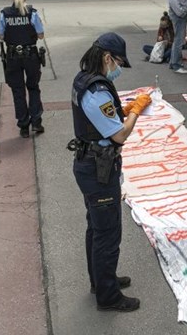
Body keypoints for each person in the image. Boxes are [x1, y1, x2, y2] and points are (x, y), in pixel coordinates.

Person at [69, 32, 151, 312]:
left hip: (88, 164)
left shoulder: (83, 79)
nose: (117, 69)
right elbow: (119, 136)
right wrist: (135, 112)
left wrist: (122, 109)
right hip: (98, 169)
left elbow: (99, 119)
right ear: (106, 57)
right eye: (117, 63)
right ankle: (108, 296)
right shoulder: (97, 91)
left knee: (96, 227)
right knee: (107, 233)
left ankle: (101, 280)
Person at [0, 0, 46, 138]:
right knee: (33, 87)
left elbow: (1, 35)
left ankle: (24, 126)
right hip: (30, 55)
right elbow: (40, 35)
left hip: (12, 56)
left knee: (18, 91)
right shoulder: (32, 12)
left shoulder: (4, 13)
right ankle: (37, 122)